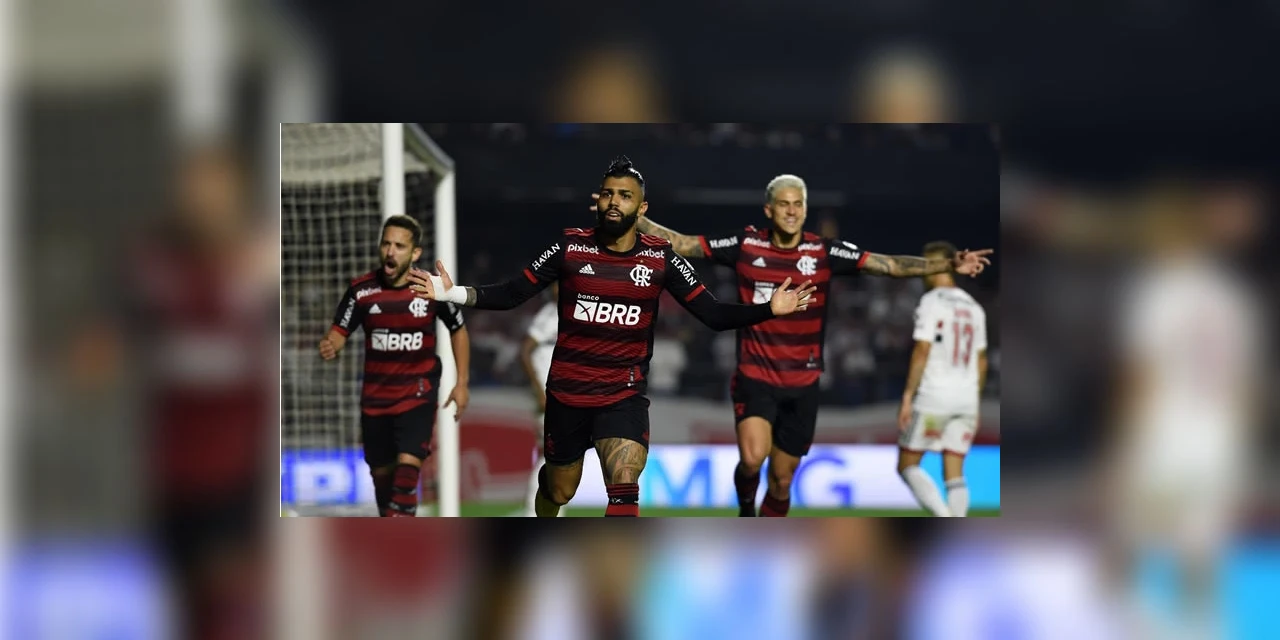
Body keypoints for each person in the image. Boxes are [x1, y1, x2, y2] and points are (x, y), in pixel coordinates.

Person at [408, 156, 815, 517]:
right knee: (559, 490)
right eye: (607, 194)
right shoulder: (569, 248)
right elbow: (513, 293)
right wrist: (455, 293)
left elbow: (712, 313)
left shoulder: (660, 257)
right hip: (567, 395)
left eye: (624, 195)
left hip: (623, 396)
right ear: (598, 201)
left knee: (624, 485)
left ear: (642, 208)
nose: (614, 201)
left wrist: (768, 309)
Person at [628, 174, 992, 516]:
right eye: (783, 204)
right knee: (753, 458)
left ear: (804, 208)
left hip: (802, 385)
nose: (791, 210)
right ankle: (744, 510)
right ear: (769, 210)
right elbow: (683, 244)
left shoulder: (823, 251)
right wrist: (637, 219)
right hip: (755, 376)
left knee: (782, 481)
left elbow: (891, 266)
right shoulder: (745, 244)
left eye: (798, 204)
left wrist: (947, 263)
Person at [319, 215, 471, 517]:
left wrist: (462, 382)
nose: (391, 251)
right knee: (383, 482)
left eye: (399, 246)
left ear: (415, 253)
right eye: (386, 244)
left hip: (418, 391)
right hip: (375, 399)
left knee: (407, 472)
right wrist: (332, 343)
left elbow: (458, 329)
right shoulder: (361, 290)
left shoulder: (430, 288)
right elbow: (338, 331)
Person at [895, 241, 988, 517]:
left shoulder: (931, 301)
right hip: (966, 399)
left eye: (926, 265)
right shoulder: (974, 307)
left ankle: (943, 517)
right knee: (955, 473)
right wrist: (975, 402)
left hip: (935, 397)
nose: (923, 272)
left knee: (907, 465)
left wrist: (908, 396)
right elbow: (981, 361)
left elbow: (922, 350)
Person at [518, 282, 561, 516]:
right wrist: (539, 390)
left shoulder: (569, 311)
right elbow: (525, 350)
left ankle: (545, 509)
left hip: (563, 397)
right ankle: (532, 509)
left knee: (559, 456)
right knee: (552, 456)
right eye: (556, 284)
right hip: (549, 397)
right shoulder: (549, 314)